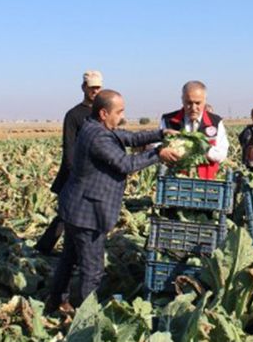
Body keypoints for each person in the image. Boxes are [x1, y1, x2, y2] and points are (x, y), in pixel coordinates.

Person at [45, 89, 179, 312]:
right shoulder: (97, 136)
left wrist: (161, 134)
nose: (122, 116)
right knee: (93, 269)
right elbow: (125, 164)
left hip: (77, 206)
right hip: (87, 213)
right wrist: (158, 155)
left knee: (69, 259)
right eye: (119, 112)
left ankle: (57, 301)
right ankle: (88, 318)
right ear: (104, 113)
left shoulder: (98, 127)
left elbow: (131, 138)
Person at [35, 70, 103, 256]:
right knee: (66, 215)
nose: (95, 91)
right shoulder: (74, 115)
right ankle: (44, 249)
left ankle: (73, 251)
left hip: (95, 175)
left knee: (84, 216)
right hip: (75, 174)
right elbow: (69, 149)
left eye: (98, 87)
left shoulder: (102, 114)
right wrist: (76, 175)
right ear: (83, 88)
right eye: (92, 88)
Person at [159, 80, 229, 179]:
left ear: (205, 100)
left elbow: (222, 154)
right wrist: (163, 151)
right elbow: (157, 146)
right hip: (175, 180)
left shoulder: (215, 122)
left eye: (198, 103)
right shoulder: (168, 120)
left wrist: (199, 148)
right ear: (182, 99)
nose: (193, 107)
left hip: (207, 182)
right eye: (189, 103)